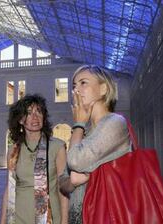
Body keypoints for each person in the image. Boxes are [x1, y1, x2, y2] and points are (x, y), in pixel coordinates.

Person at [59, 64, 131, 223]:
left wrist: (78, 124)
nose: (76, 90)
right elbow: (62, 181)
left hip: (105, 216)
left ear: (104, 89)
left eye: (83, 83)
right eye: (73, 86)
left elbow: (75, 161)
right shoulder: (85, 131)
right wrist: (72, 181)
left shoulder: (115, 122)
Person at [0, 94, 68, 224]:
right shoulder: (13, 151)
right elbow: (9, 188)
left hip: (50, 218)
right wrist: (2, 221)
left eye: (39, 112)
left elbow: (63, 189)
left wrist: (65, 221)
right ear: (20, 119)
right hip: (18, 217)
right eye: (29, 113)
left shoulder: (57, 147)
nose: (35, 117)